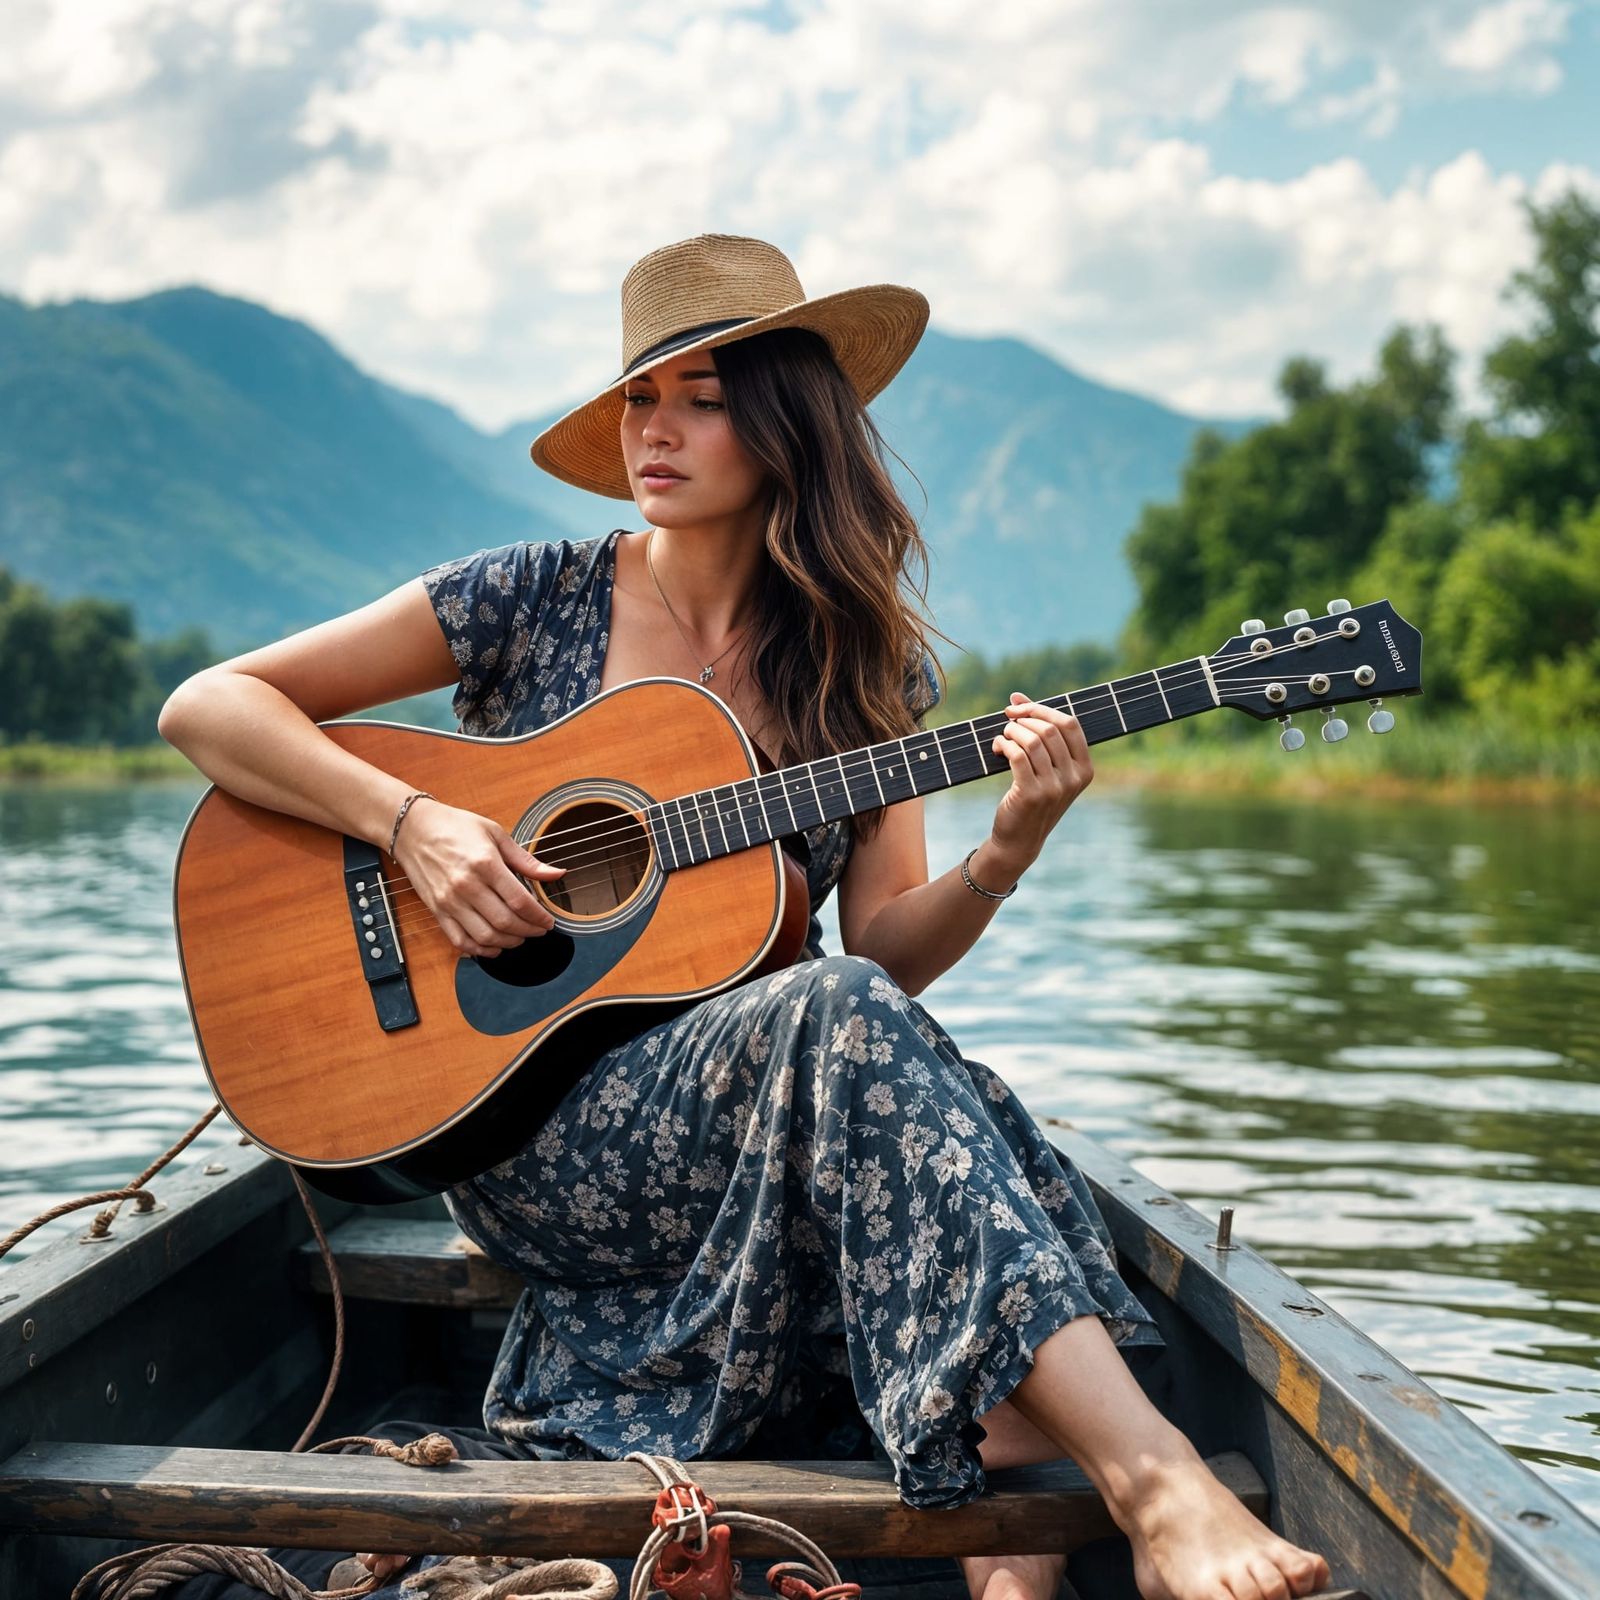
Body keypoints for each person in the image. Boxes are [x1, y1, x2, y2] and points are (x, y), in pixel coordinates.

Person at [159, 234, 1331, 1600]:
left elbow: (890, 944)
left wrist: (1008, 847)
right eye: (640, 398)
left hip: (759, 1119)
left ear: (786, 422)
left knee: (893, 1035)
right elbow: (209, 705)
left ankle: (1026, 1544)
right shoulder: (530, 596)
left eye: (701, 399)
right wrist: (410, 821)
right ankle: (1147, 1482)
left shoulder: (859, 661)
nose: (654, 431)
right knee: (848, 1018)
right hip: (531, 1136)